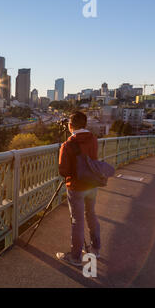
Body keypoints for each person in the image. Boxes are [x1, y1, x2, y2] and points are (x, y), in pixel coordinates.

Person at [56, 111, 101, 266]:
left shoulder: (67, 145)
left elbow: (63, 171)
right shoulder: (93, 139)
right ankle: (95, 249)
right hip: (92, 184)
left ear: (70, 126)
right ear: (85, 124)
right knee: (91, 214)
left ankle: (75, 257)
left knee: (77, 220)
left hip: (76, 187)